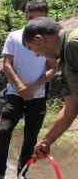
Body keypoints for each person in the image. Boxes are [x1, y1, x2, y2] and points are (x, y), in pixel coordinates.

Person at [0, 0, 56, 179]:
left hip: (38, 94)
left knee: (31, 137)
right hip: (14, 93)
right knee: (4, 131)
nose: (33, 22)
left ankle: (22, 176)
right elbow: (7, 64)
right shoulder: (14, 36)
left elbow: (53, 68)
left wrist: (33, 87)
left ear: (45, 17)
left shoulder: (49, 40)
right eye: (29, 17)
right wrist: (20, 86)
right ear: (25, 16)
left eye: (37, 18)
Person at [23, 18, 78, 160]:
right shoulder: (65, 58)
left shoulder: (74, 44)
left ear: (38, 39)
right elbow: (70, 109)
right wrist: (46, 140)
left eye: (31, 48)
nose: (36, 54)